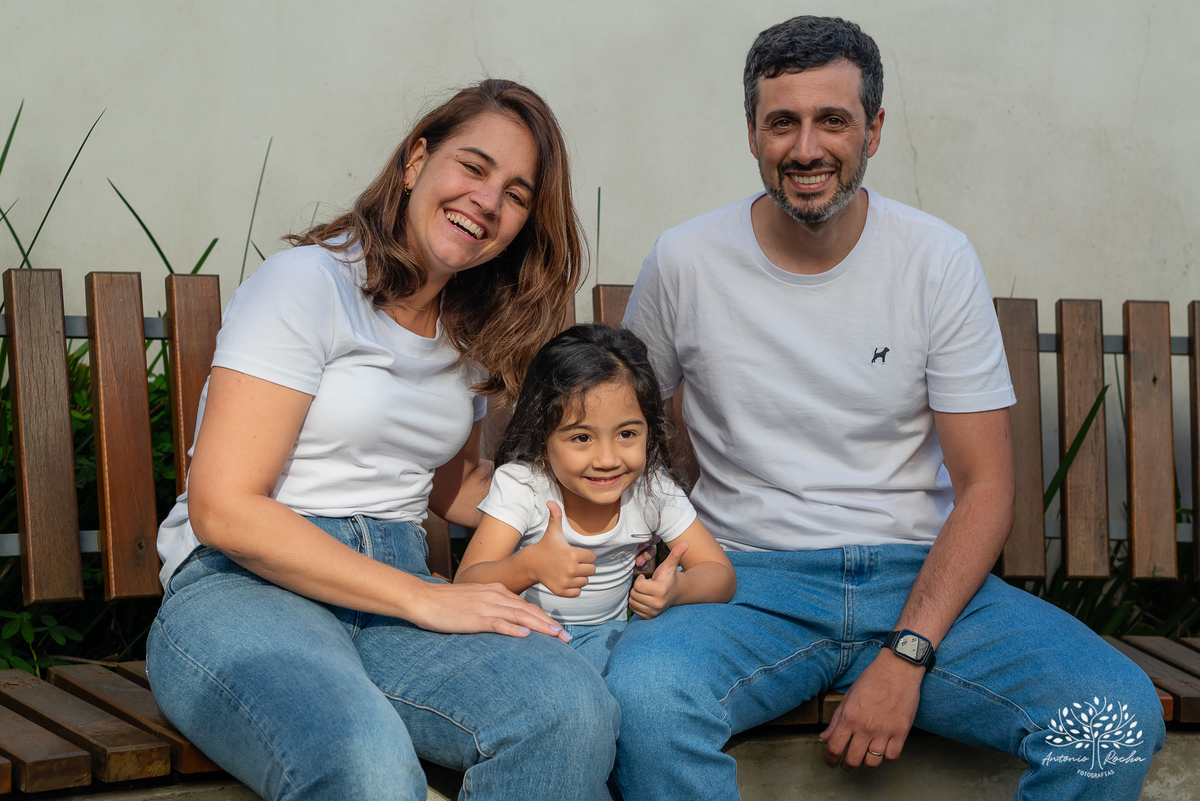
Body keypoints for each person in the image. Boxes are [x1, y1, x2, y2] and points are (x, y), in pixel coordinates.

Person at [608, 15, 1165, 800]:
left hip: (922, 580)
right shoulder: (685, 260)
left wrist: (907, 653)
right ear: (751, 132)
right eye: (783, 122)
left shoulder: (935, 258)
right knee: (640, 700)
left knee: (1113, 718)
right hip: (744, 578)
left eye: (832, 120)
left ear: (873, 127)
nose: (806, 148)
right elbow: (634, 433)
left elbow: (986, 487)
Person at [145, 79, 620, 801]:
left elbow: (444, 485)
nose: (488, 201)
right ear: (415, 161)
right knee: (363, 761)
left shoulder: (462, 329)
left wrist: (592, 494)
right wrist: (423, 598)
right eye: (474, 166)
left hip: (390, 599)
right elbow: (224, 508)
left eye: (518, 194)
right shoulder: (308, 282)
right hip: (243, 589)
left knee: (571, 709)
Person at [455, 324, 736, 673]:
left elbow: (721, 574)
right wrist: (529, 566)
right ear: (543, 440)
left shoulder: (651, 490)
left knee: (644, 680)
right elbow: (466, 584)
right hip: (526, 637)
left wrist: (679, 588)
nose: (607, 459)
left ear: (649, 431)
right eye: (581, 438)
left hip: (610, 640)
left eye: (627, 434)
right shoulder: (523, 486)